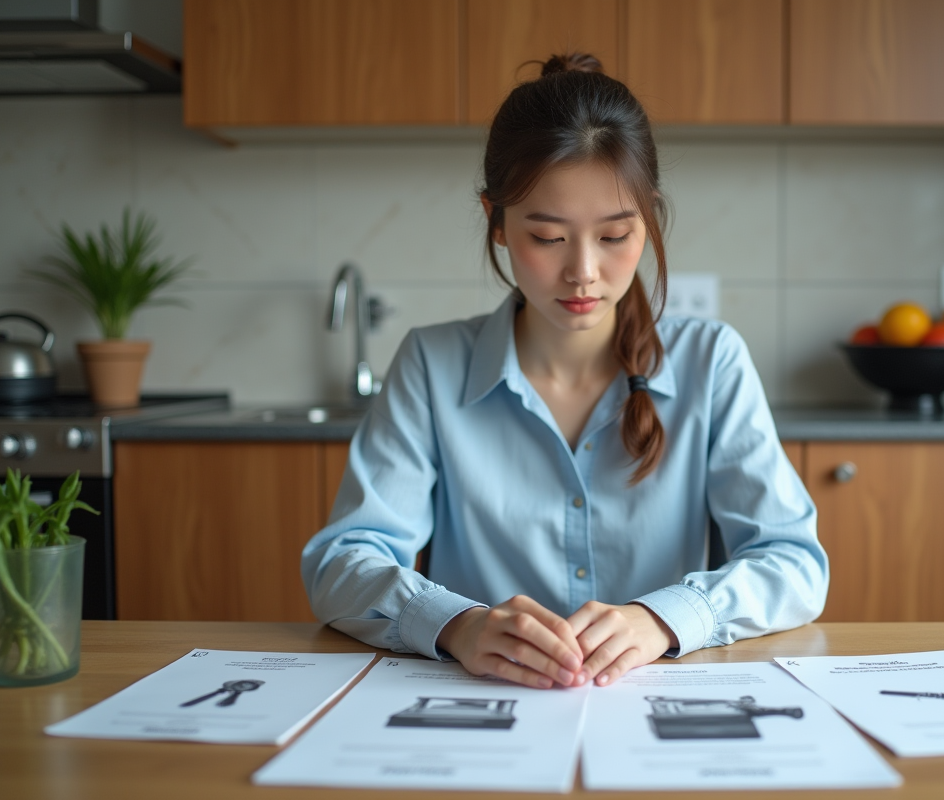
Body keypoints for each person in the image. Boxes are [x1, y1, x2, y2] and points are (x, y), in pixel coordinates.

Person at [301, 53, 828, 691]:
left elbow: (794, 564)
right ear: (496, 220)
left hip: (657, 705)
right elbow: (342, 563)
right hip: (484, 707)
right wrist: (458, 625)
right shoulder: (431, 364)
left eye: (614, 236)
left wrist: (662, 619)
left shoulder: (711, 360)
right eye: (548, 238)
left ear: (649, 219)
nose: (582, 272)